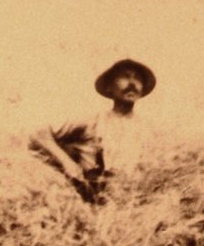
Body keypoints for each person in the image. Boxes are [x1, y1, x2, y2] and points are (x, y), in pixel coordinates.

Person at [30, 58, 156, 203]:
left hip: (132, 203)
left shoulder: (147, 129)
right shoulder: (93, 120)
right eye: (125, 77)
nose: (132, 84)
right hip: (94, 202)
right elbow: (39, 133)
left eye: (138, 79)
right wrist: (67, 162)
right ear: (109, 87)